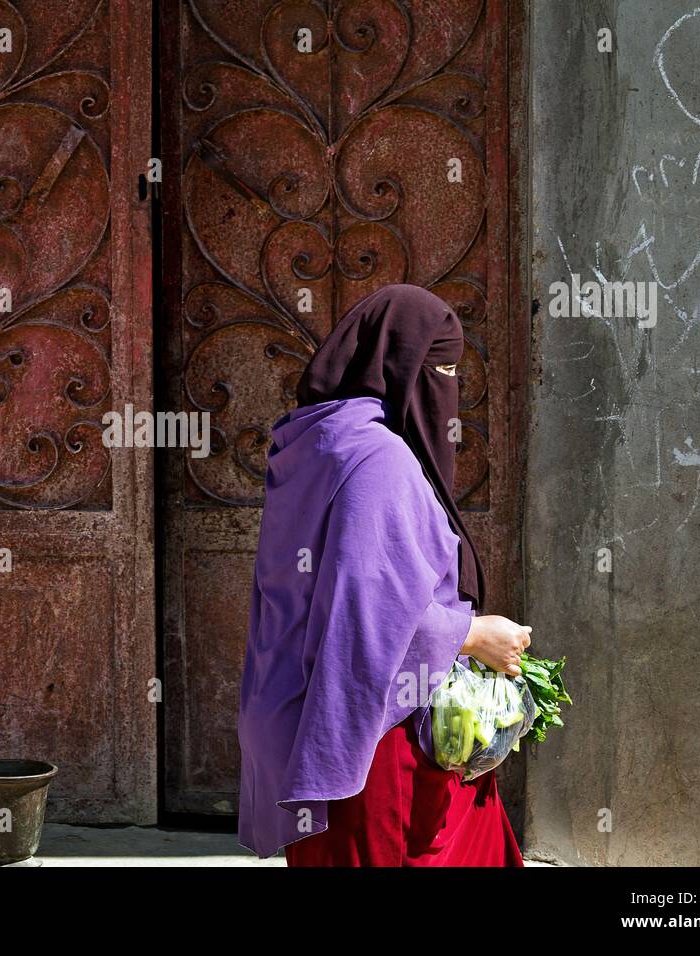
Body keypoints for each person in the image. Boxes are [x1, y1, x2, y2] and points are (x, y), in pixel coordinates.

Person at [237, 284, 530, 867]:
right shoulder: (380, 460)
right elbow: (364, 619)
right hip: (374, 741)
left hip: (301, 721)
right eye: (439, 368)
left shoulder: (314, 441)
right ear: (401, 365)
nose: (448, 389)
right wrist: (474, 637)